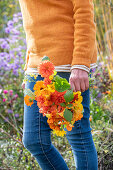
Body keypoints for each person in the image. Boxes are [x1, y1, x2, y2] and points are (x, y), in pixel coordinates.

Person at [19, 0, 98, 169]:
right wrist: (28, 66)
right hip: (36, 66)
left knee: (78, 136)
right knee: (34, 140)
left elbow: (84, 13)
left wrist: (81, 63)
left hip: (67, 66)